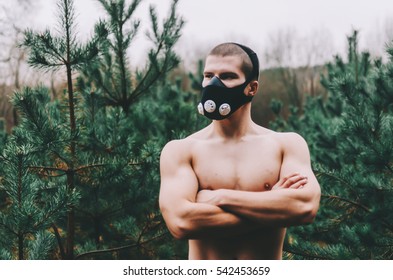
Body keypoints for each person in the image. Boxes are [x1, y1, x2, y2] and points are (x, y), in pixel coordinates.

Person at [159, 42, 321, 260]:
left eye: (227, 76)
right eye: (208, 75)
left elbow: (304, 207)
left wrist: (220, 197)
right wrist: (272, 205)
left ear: (251, 88)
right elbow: (181, 222)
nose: (214, 84)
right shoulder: (181, 150)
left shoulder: (286, 145)